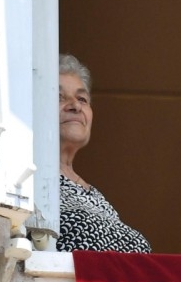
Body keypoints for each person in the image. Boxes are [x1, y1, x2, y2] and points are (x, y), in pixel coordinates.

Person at [57, 54, 151, 253]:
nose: (75, 106)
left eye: (82, 98)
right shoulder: (28, 183)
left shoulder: (96, 197)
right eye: (58, 97)